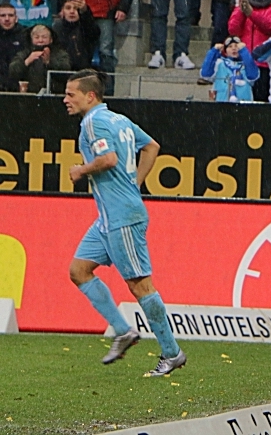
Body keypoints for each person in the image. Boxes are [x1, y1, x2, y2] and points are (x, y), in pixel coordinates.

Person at [63, 69, 186, 376]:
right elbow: (152, 146)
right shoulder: (119, 119)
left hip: (122, 217)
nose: (65, 99)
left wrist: (81, 170)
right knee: (79, 271)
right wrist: (136, 182)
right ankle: (122, 330)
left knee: (139, 284)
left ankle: (172, 353)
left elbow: (108, 160)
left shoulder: (94, 122)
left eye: (70, 94)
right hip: (108, 217)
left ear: (90, 96)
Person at [9, 25, 71, 94]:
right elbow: (12, 72)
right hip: (29, 96)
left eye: (44, 37)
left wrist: (49, 63)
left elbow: (65, 73)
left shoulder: (60, 54)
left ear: (51, 40)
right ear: (31, 39)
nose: (40, 40)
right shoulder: (24, 53)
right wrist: (27, 61)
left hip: (54, 94)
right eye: (37, 37)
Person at [200, 36, 260, 102]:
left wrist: (244, 51)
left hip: (243, 106)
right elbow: (205, 73)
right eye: (230, 46)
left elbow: (253, 75)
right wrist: (214, 51)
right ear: (225, 52)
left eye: (236, 46)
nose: (234, 48)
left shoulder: (246, 64)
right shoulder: (219, 64)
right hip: (221, 105)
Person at [53, 0, 101, 71]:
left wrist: (85, 11)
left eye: (76, 8)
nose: (72, 11)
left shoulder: (86, 27)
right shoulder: (56, 28)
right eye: (68, 8)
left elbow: (94, 31)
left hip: (83, 70)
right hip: (61, 70)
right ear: (62, 12)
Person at [0, 3, 25, 91]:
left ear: (16, 18)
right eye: (3, 15)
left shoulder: (25, 35)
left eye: (10, 15)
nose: (7, 19)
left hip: (18, 83)